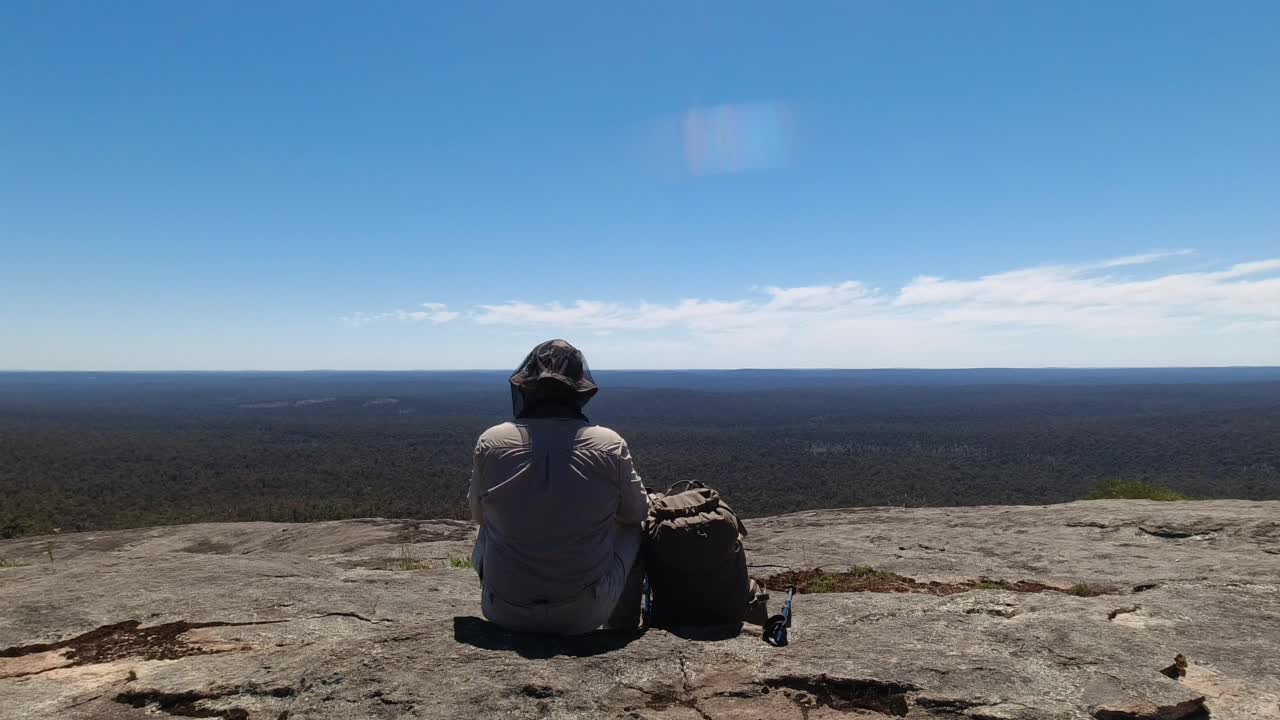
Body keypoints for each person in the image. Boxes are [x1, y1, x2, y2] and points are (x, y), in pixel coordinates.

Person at [468, 339, 648, 635]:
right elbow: (636, 512)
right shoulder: (608, 443)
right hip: (583, 614)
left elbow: (478, 517)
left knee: (490, 521)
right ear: (578, 390)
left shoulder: (491, 441)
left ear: (527, 387)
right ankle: (620, 628)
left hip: (503, 610)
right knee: (634, 528)